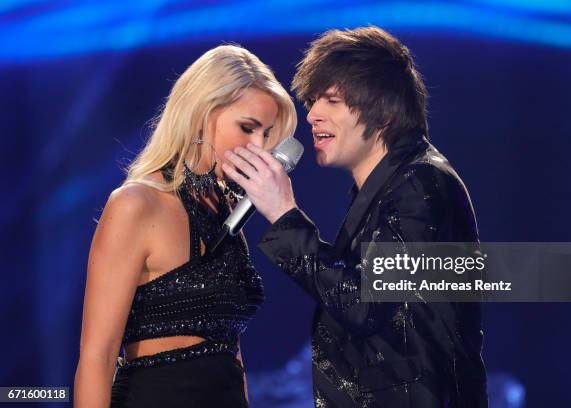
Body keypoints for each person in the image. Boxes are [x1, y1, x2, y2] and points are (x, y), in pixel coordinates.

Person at [223, 27, 488, 407]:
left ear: (382, 110)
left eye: (331, 100)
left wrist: (283, 214)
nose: (312, 114)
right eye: (313, 100)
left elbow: (363, 303)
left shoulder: (420, 184)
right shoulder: (391, 185)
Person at [73, 45, 297, 408]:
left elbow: (230, 348)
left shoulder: (225, 211)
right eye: (247, 128)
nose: (259, 146)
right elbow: (96, 359)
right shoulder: (135, 205)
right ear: (202, 113)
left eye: (267, 134)